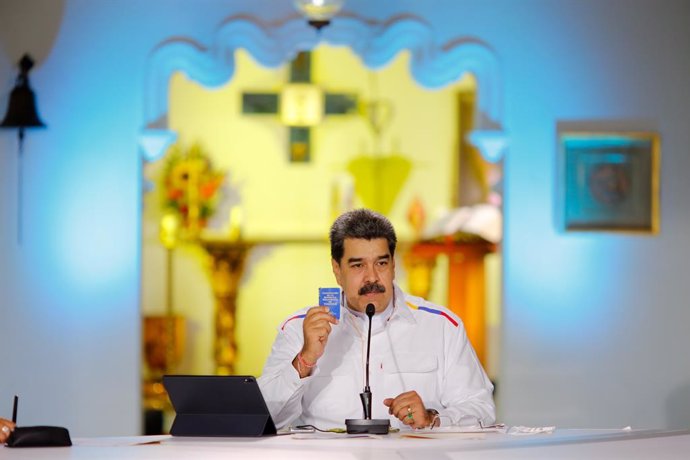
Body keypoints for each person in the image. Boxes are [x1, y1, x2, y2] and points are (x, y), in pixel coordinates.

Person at [258, 208, 495, 430]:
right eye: (358, 265)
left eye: (381, 263)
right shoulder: (298, 328)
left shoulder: (442, 326)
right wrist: (305, 359)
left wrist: (433, 419)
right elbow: (264, 419)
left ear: (393, 265)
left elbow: (482, 410)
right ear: (337, 270)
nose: (372, 277)